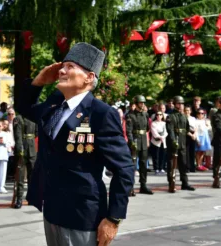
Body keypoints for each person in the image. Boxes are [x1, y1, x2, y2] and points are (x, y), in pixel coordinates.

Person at [15, 42, 134, 246]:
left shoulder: (101, 113)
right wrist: (39, 81)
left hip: (82, 214)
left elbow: (124, 169)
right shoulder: (54, 105)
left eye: (70, 66)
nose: (62, 70)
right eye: (63, 66)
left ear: (89, 77)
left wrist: (113, 219)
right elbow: (24, 108)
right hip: (52, 208)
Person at [166, 96, 196, 193]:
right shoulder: (170, 116)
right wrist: (174, 140)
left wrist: (192, 132)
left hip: (183, 142)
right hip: (173, 143)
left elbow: (187, 128)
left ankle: (185, 183)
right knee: (172, 164)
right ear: (175, 104)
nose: (181, 105)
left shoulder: (183, 116)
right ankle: (171, 183)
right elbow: (170, 130)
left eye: (182, 104)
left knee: (183, 163)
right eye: (179, 103)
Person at [126, 95, 153, 195]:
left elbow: (147, 129)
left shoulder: (145, 114)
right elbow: (129, 131)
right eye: (141, 103)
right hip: (135, 141)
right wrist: (131, 142)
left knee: (143, 165)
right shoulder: (130, 115)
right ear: (136, 104)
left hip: (143, 141)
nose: (143, 105)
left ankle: (143, 185)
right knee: (132, 165)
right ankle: (130, 187)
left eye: (143, 103)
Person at [12, 114, 37, 208]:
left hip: (31, 148)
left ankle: (31, 197)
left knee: (32, 176)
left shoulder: (34, 117)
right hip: (21, 149)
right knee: (20, 177)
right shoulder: (18, 119)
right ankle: (19, 199)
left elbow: (36, 132)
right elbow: (17, 136)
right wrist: (20, 150)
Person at [150, 110, 168, 174]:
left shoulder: (164, 123)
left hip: (163, 141)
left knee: (162, 155)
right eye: (157, 115)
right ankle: (156, 168)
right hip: (156, 141)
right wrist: (159, 137)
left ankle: (162, 168)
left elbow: (166, 132)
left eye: (160, 115)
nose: (159, 116)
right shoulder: (153, 123)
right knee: (156, 155)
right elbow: (154, 132)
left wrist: (163, 137)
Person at [184, 106, 197, 172]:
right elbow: (184, 129)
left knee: (192, 152)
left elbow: (196, 127)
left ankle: (192, 166)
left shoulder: (193, 118)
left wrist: (194, 134)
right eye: (186, 110)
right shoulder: (183, 118)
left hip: (193, 135)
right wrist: (191, 135)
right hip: (186, 135)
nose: (187, 112)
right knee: (186, 152)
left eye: (188, 110)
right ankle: (187, 167)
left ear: (190, 111)